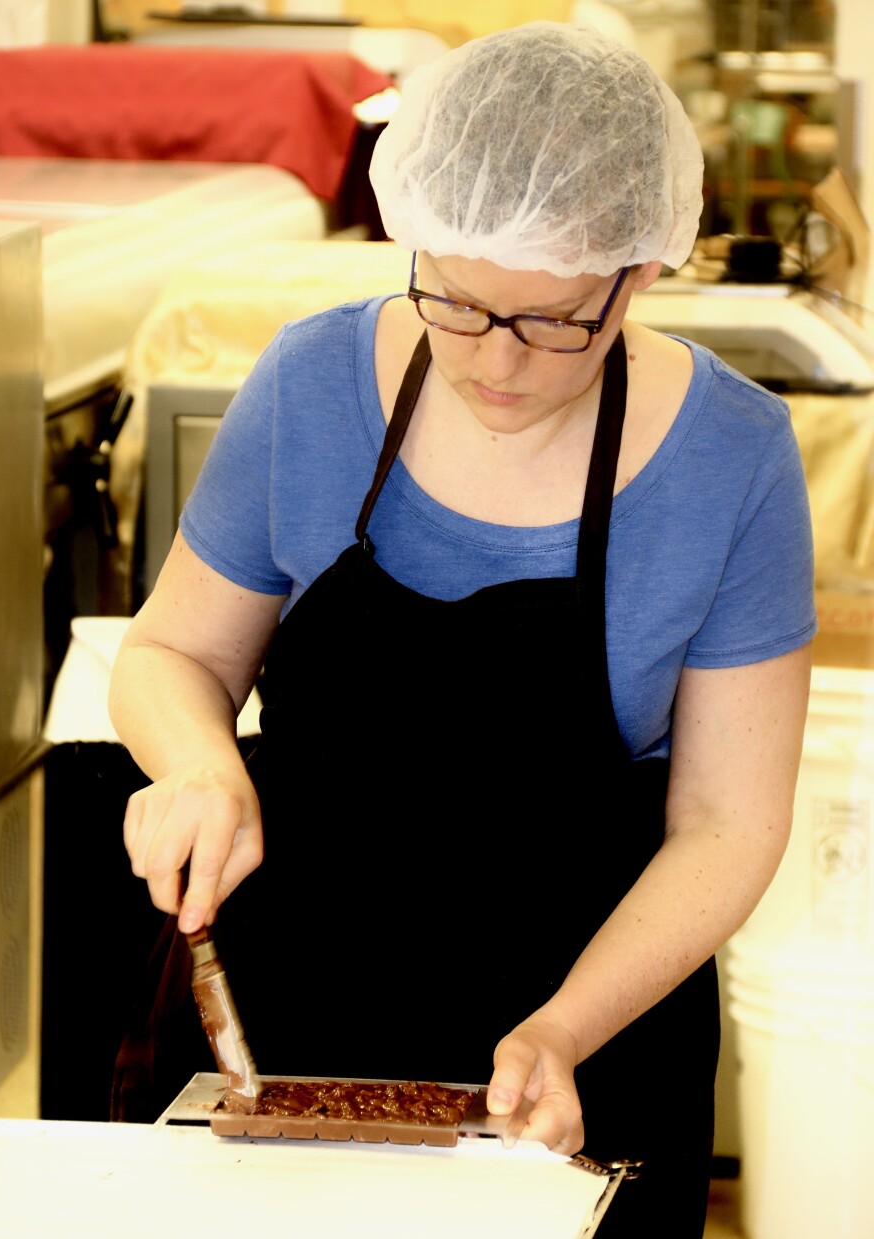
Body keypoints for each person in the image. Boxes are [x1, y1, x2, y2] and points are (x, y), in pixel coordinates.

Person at [108, 21, 815, 1238]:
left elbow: (726, 822)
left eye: (552, 324)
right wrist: (199, 767)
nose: (495, 363)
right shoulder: (311, 382)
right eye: (456, 303)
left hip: (582, 1045)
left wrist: (563, 1030)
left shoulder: (731, 459)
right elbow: (171, 654)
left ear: (639, 270)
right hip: (288, 1021)